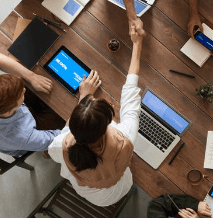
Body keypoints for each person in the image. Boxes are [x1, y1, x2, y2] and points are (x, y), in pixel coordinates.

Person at [48, 25, 143, 206]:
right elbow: (131, 95)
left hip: (90, 193)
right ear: (107, 125)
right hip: (115, 190)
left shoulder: (60, 145)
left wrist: (83, 97)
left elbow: (60, 145)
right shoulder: (124, 138)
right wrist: (137, 44)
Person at [0, 53, 63, 157]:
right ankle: (47, 152)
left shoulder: (6, 108)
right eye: (21, 94)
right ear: (11, 107)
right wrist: (84, 98)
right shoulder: (23, 136)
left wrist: (32, 77)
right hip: (26, 137)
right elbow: (60, 139)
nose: (24, 89)